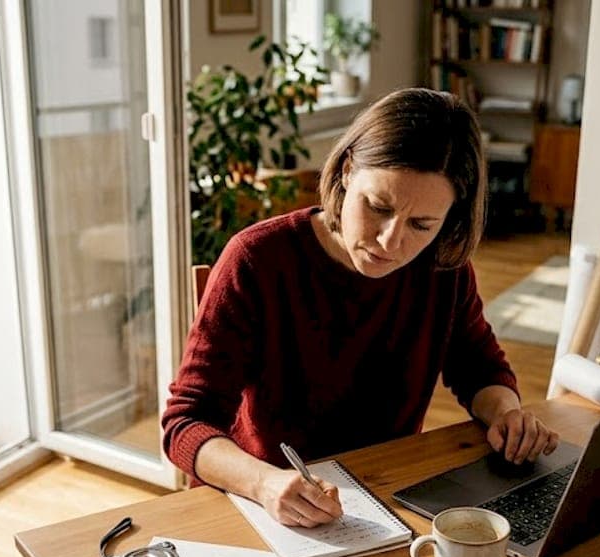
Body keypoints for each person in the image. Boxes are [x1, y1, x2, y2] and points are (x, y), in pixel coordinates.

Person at [162, 87, 560, 527]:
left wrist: (506, 414)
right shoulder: (257, 259)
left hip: (386, 495)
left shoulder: (442, 268)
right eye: (378, 206)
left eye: (421, 224)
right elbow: (186, 423)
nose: (391, 242)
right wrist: (265, 483)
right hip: (265, 502)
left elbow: (479, 368)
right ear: (349, 170)